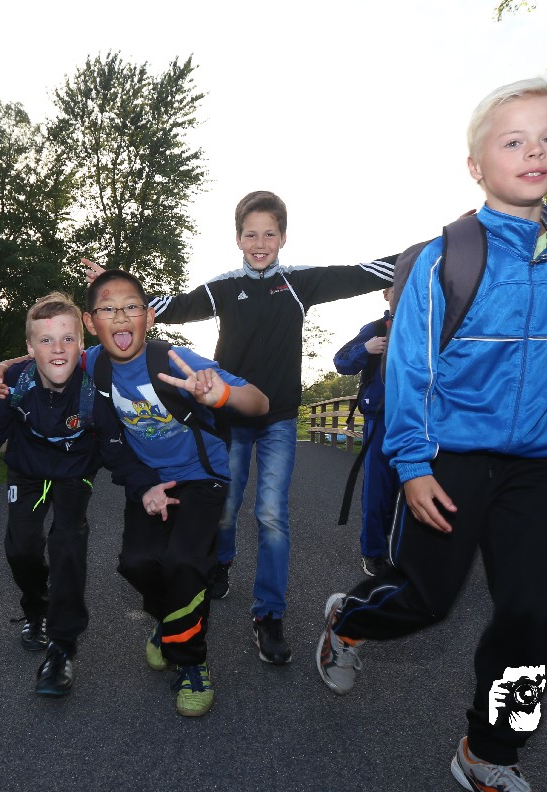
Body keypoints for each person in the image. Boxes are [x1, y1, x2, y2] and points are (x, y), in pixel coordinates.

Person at [314, 78, 547, 792]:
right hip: (450, 459)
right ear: (476, 165)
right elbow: (410, 372)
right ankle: (349, 623)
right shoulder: (447, 258)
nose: (535, 151)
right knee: (426, 600)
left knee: (529, 617)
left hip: (532, 466)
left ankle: (489, 755)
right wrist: (412, 464)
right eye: (513, 140)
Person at [80, 191, 398, 667]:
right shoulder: (225, 288)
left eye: (270, 233)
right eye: (251, 234)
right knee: (225, 508)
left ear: (284, 237)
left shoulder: (299, 283)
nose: (260, 243)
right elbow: (170, 306)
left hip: (278, 418)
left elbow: (362, 273)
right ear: (237, 239)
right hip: (228, 417)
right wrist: (117, 293)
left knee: (271, 515)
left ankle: (268, 614)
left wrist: (443, 248)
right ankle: (219, 564)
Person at [0, 292, 173, 699]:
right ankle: (37, 608)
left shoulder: (94, 390)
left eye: (67, 339)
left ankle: (62, 647)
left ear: (81, 345)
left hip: (74, 474)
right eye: (46, 340)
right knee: (21, 549)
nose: (58, 349)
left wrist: (146, 486)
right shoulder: (15, 383)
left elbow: (117, 449)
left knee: (67, 544)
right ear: (30, 348)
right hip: (28, 471)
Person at [82, 268, 269, 717]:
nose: (120, 317)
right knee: (136, 562)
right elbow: (47, 354)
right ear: (90, 323)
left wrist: (220, 396)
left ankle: (192, 662)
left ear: (149, 317)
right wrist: (3, 373)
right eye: (108, 310)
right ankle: (173, 621)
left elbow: (259, 401)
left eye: (131, 307)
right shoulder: (93, 362)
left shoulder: (174, 360)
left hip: (203, 475)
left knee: (184, 562)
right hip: (149, 480)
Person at [332, 288, 398, 577]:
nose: (403, 291)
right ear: (386, 294)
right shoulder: (375, 329)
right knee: (378, 489)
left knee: (411, 487)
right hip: (380, 419)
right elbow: (341, 361)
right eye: (396, 287)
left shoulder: (427, 324)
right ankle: (373, 551)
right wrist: (366, 349)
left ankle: (402, 547)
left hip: (419, 420)